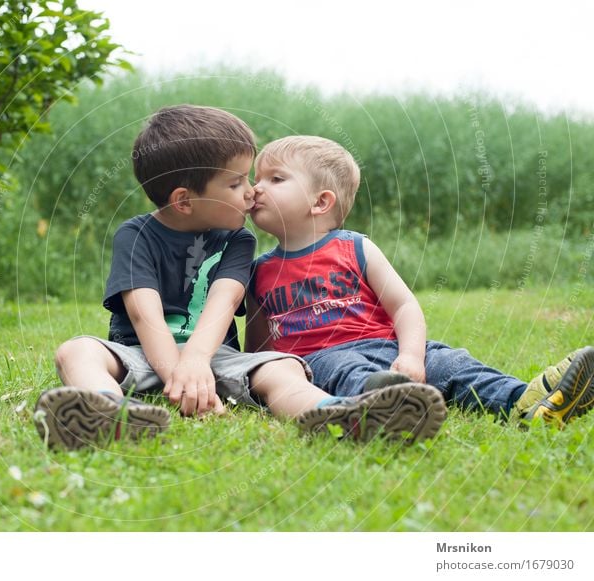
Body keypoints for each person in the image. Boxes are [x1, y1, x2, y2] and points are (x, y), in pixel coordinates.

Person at [33, 106, 447, 450]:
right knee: (75, 351)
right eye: (236, 182)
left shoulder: (238, 240)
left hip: (217, 357)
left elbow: (225, 301)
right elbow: (144, 316)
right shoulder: (136, 234)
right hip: (143, 351)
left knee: (284, 368)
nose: (251, 192)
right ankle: (105, 410)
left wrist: (197, 362)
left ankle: (336, 413)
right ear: (184, 200)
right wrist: (176, 370)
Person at [246, 134, 594, 426]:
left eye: (275, 179)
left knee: (450, 363)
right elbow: (259, 350)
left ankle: (524, 400)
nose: (255, 189)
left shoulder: (355, 248)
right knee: (346, 368)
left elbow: (404, 306)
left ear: (321, 202)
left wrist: (412, 355)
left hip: (389, 347)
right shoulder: (258, 271)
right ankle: (385, 406)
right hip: (320, 359)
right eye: (255, 178)